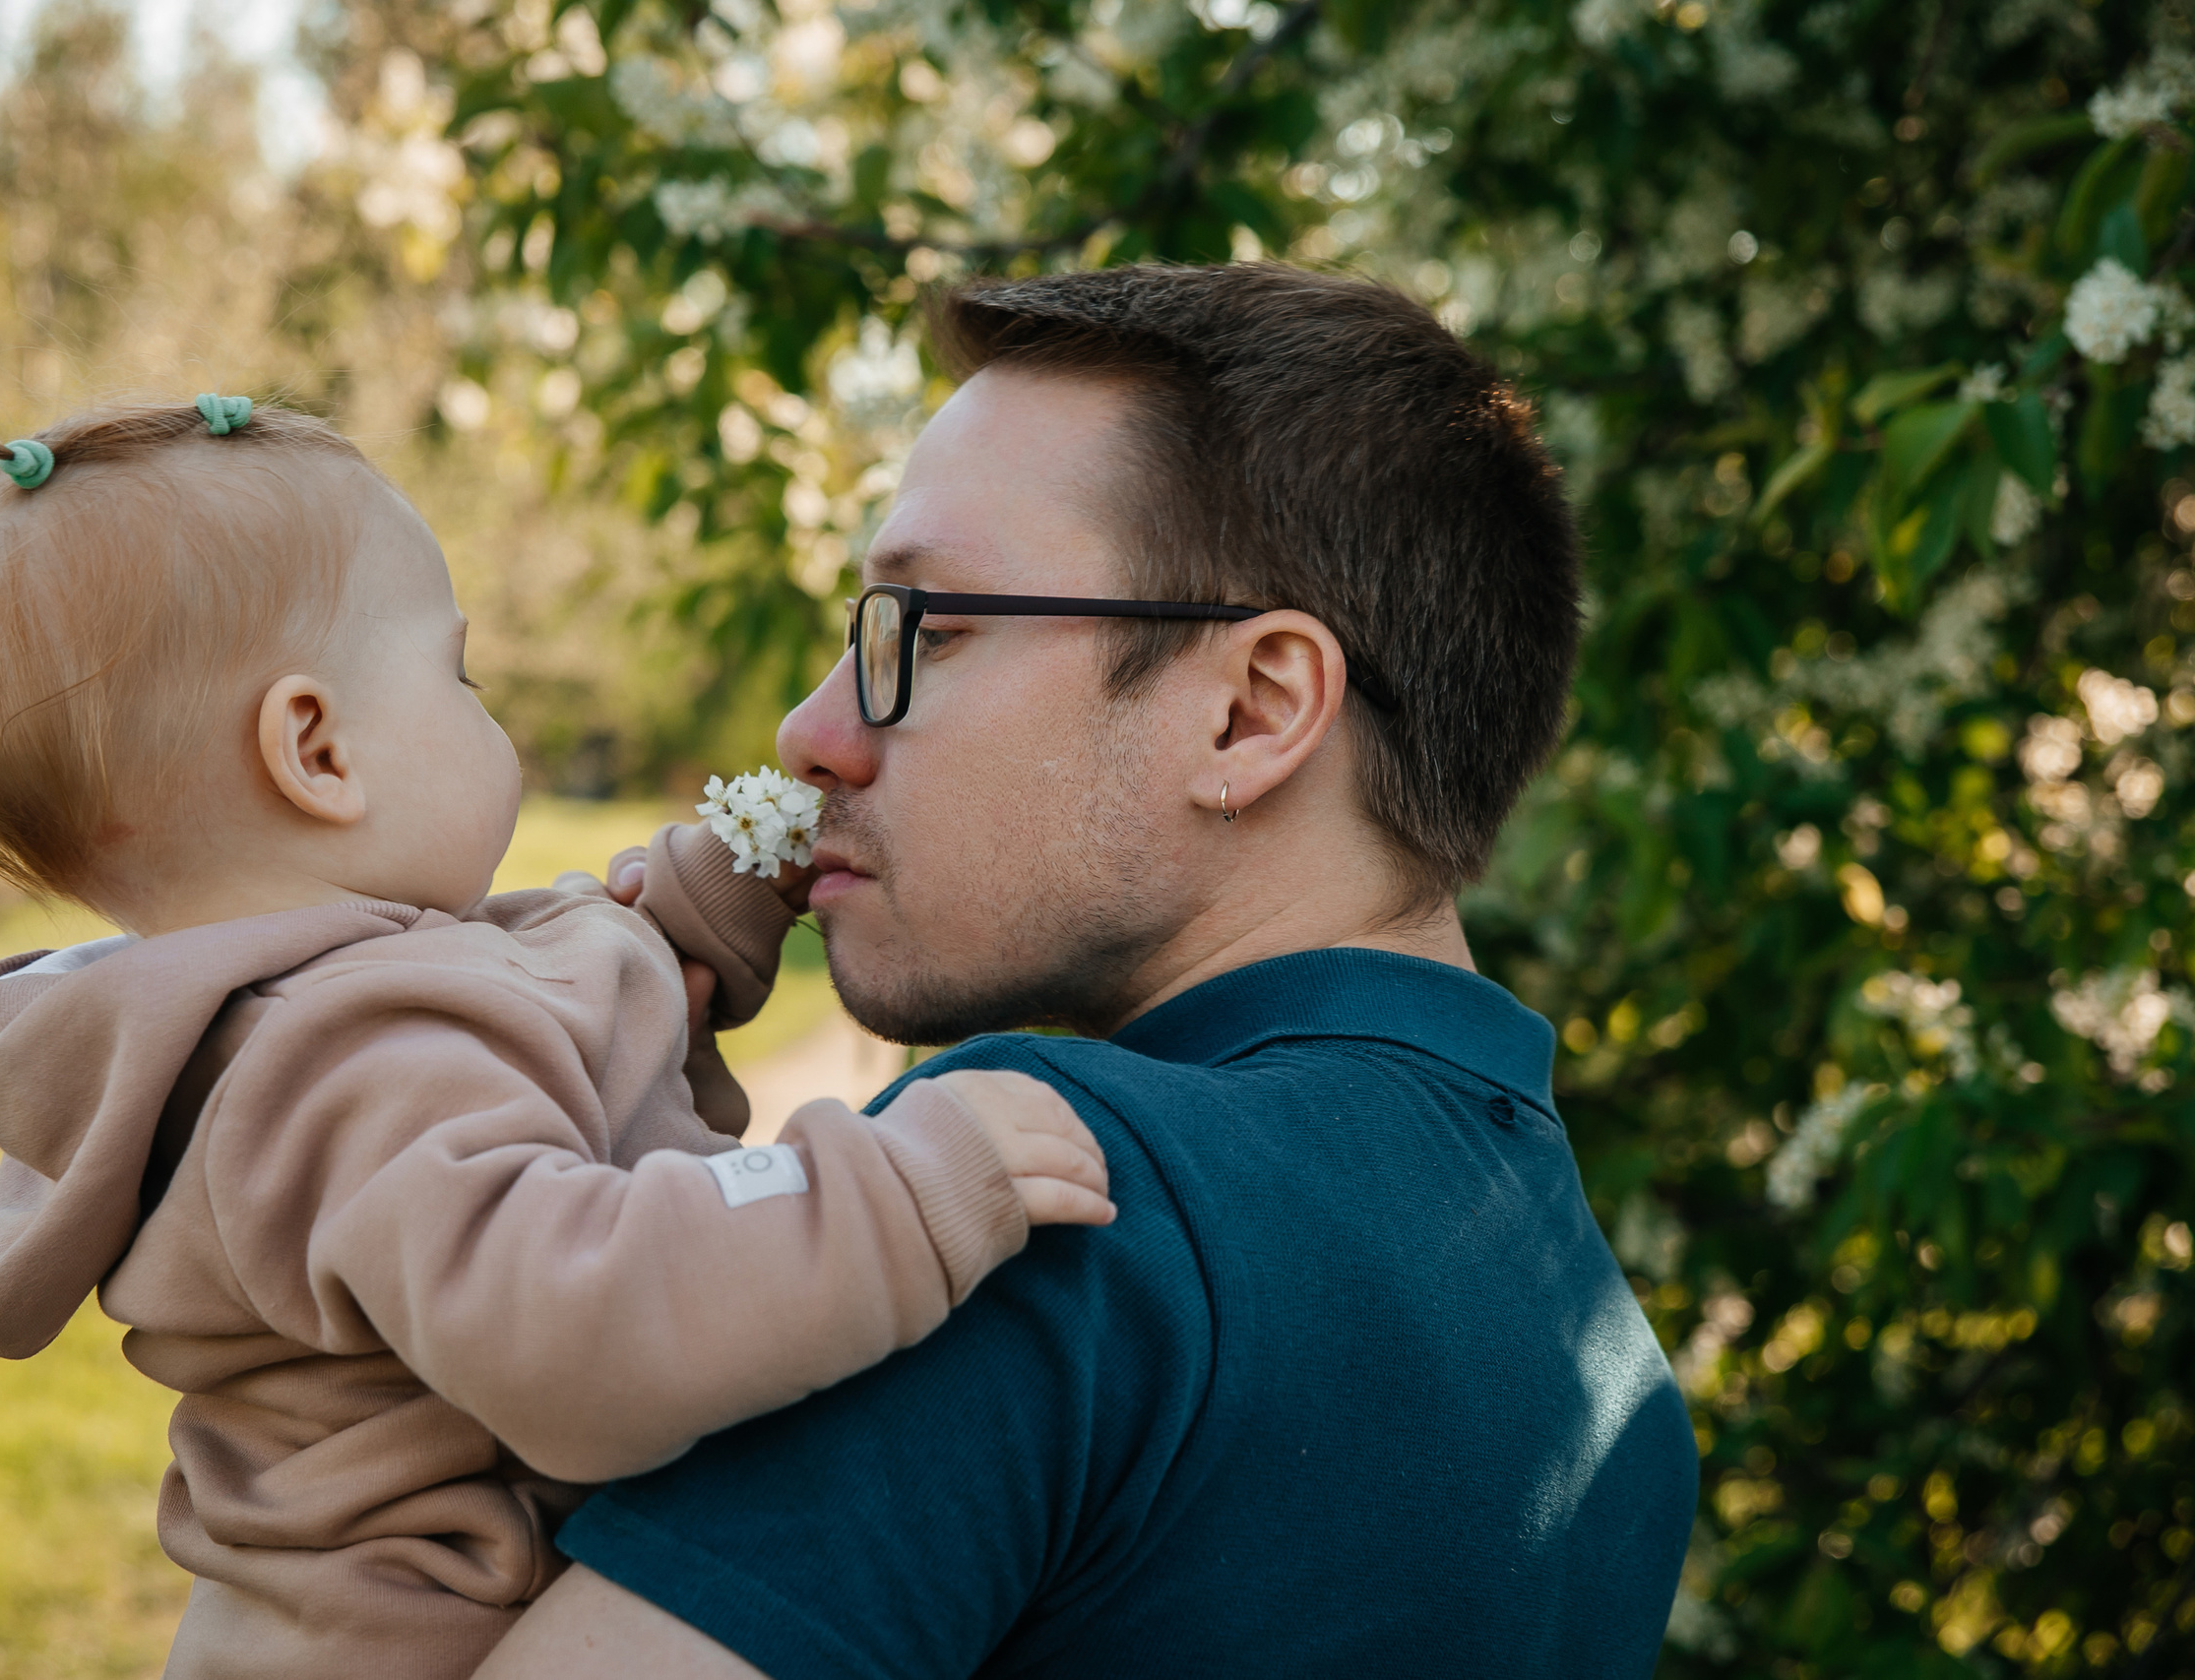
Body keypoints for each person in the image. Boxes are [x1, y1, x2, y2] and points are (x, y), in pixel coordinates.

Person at [0, 398, 1116, 1680]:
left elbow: (568, 977)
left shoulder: (328, 1006)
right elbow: (581, 1323)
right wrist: (902, 1190)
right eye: (455, 672)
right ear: (317, 750)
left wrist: (708, 906)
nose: (491, 712)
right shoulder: (346, 1063)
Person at [492, 264, 1700, 1678]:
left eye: (927, 632)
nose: (812, 730)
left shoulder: (1032, 1196)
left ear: (1249, 714)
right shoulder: (1619, 1391)